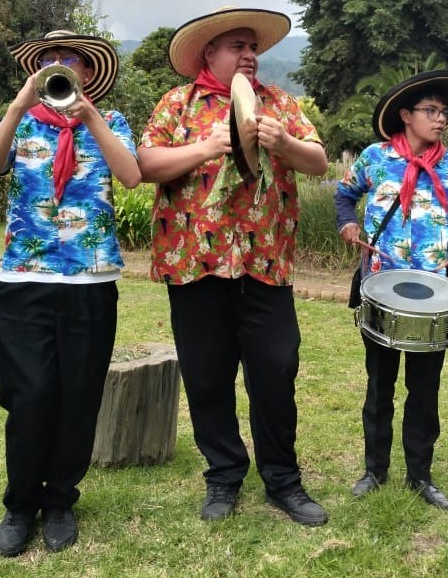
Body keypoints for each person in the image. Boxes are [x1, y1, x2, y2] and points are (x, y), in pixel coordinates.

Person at [137, 6, 330, 526]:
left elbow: (318, 162)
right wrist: (208, 146)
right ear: (210, 53)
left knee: (276, 370)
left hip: (264, 263)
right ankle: (223, 476)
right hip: (195, 263)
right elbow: (145, 164)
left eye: (253, 48)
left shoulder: (279, 104)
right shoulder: (179, 104)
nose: (249, 56)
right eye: (237, 47)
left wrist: (284, 142)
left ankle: (283, 481)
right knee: (207, 379)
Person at [0, 30, 140, 556]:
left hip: (91, 282)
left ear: (88, 73)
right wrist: (17, 105)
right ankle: (20, 505)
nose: (59, 68)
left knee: (78, 396)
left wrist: (89, 116)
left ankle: (62, 500)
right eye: (48, 61)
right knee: (29, 397)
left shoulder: (110, 121)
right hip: (24, 278)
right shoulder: (22, 120)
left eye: (70, 61)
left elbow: (132, 176)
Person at [334, 70, 448, 510]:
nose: (440, 119)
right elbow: (344, 194)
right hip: (380, 286)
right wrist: (348, 224)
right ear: (406, 115)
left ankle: (420, 475)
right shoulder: (375, 158)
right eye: (431, 111)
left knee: (425, 389)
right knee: (378, 385)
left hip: (434, 293)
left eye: (445, 113)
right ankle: (374, 470)